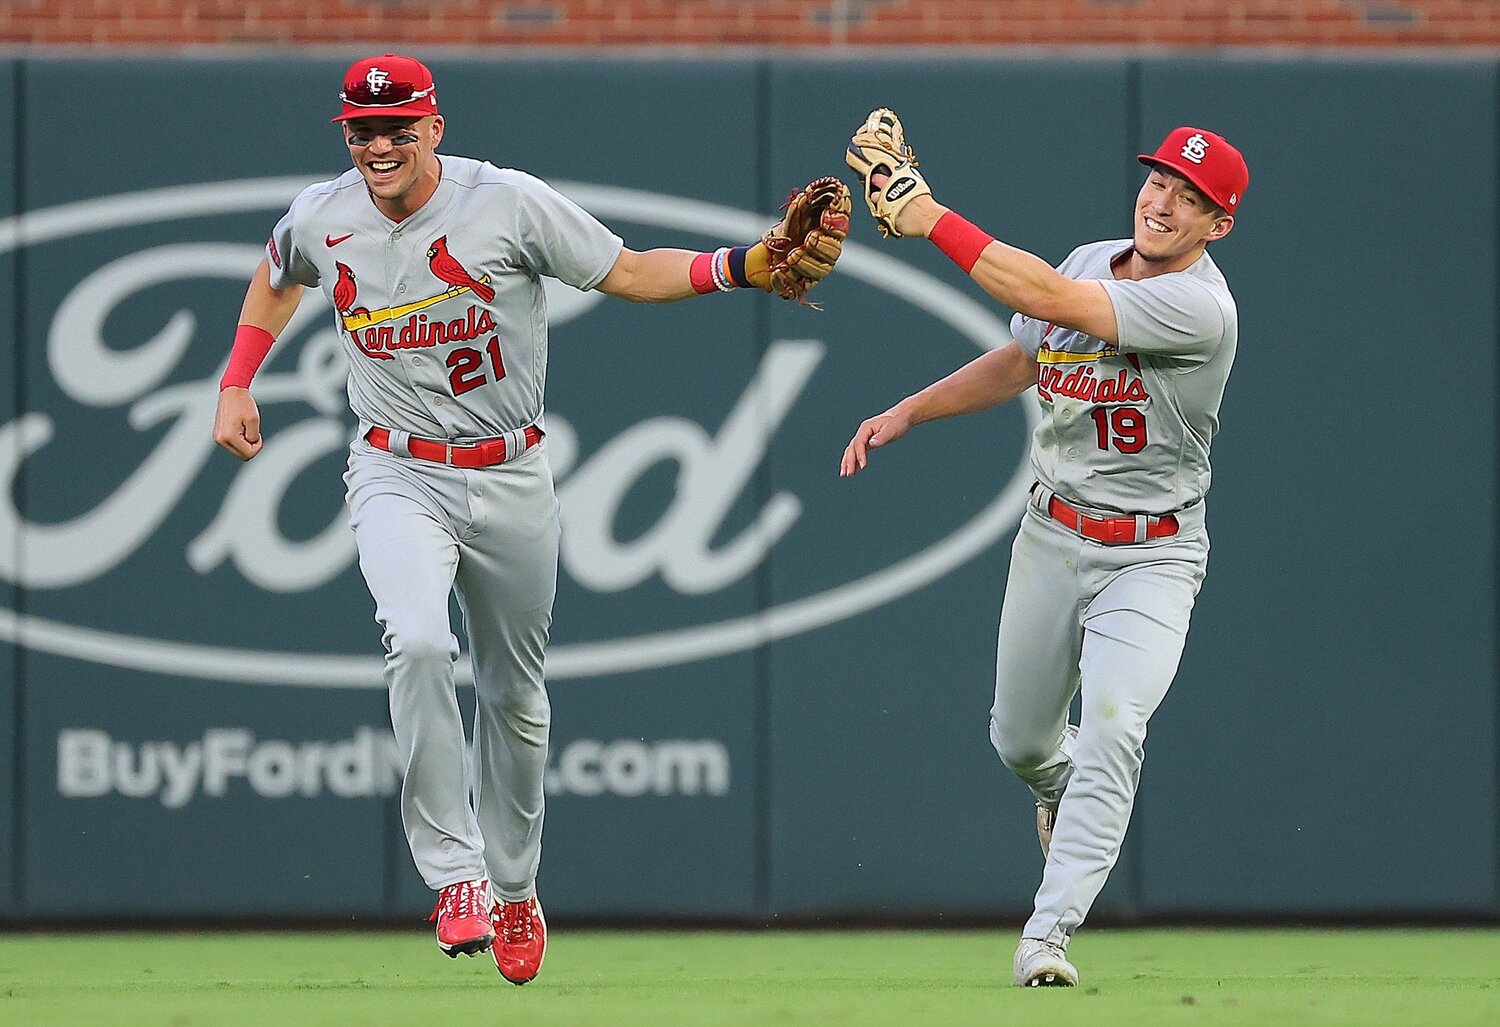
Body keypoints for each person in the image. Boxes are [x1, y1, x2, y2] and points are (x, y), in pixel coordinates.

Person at [212, 53, 847, 985]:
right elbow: (277, 275)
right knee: (417, 642)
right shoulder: (323, 213)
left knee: (514, 695)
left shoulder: (505, 203)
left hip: (510, 471)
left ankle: (514, 887)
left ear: (435, 127)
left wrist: (743, 267)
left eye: (398, 128)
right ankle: (456, 875)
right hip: (395, 464)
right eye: (362, 130)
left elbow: (627, 271)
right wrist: (237, 379)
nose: (379, 145)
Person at [841, 111, 1247, 987]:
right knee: (1021, 740)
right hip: (1053, 532)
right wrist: (910, 410)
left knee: (1114, 724)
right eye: (1160, 180)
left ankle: (1047, 934)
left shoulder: (1199, 306)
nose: (1163, 203)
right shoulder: (1090, 258)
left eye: (1191, 198)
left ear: (1218, 226)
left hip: (1152, 554)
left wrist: (927, 214)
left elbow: (1052, 302)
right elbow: (1026, 355)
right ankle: (1053, 782)